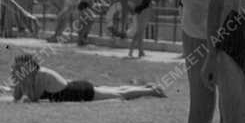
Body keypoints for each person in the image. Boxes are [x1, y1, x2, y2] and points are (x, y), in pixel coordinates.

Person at [10, 53, 166, 102]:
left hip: (77, 92)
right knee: (116, 90)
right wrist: (18, 83)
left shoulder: (39, 76)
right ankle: (147, 88)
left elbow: (31, 99)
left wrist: (20, 83)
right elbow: (17, 98)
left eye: (19, 67)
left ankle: (151, 92)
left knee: (119, 94)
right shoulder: (29, 78)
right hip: (74, 87)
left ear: (28, 68)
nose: (16, 70)